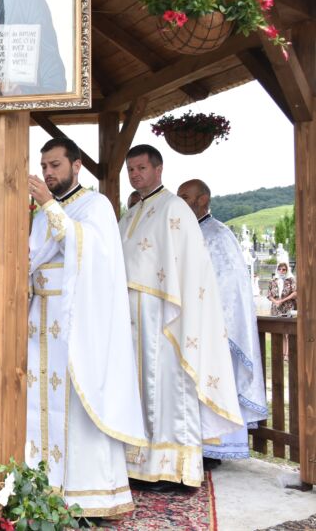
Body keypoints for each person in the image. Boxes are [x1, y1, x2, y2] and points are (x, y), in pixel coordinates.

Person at [25, 138, 145, 516]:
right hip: (39, 320)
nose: (48, 172)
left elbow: (90, 250)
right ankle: (40, 490)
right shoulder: (42, 213)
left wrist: (47, 203)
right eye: (44, 165)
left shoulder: (96, 205)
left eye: (56, 165)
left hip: (77, 323)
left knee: (76, 404)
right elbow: (30, 258)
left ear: (76, 166)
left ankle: (88, 496)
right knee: (37, 403)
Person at [119, 145, 242, 489]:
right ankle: (140, 463)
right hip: (134, 321)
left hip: (166, 321)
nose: (135, 174)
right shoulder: (130, 214)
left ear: (158, 170)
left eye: (141, 168)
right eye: (130, 169)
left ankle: (173, 471)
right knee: (140, 390)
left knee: (167, 390)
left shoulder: (174, 208)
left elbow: (191, 270)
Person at [177, 179, 268, 468]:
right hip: (188, 327)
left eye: (186, 197)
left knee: (211, 386)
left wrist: (208, 317)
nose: (181, 202)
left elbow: (228, 287)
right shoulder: (187, 232)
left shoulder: (218, 235)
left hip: (214, 330)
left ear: (203, 200)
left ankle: (212, 451)